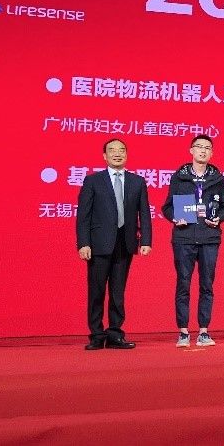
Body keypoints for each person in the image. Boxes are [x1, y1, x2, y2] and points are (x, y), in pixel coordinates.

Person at [75, 138, 152, 350]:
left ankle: (115, 334)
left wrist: (145, 240)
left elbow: (144, 213)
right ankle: (97, 335)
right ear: (104, 156)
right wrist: (83, 243)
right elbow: (83, 215)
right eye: (112, 150)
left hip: (125, 243)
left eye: (121, 150)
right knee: (97, 291)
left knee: (118, 292)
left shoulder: (137, 182)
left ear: (126, 154)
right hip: (98, 244)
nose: (117, 154)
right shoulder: (93, 181)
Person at [161, 134, 224, 348]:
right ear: (191, 150)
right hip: (184, 237)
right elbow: (167, 206)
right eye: (199, 147)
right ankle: (183, 331)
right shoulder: (179, 177)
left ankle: (203, 331)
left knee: (207, 285)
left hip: (209, 237)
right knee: (183, 284)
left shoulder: (217, 178)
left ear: (212, 153)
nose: (203, 150)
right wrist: (175, 218)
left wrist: (219, 218)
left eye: (207, 148)